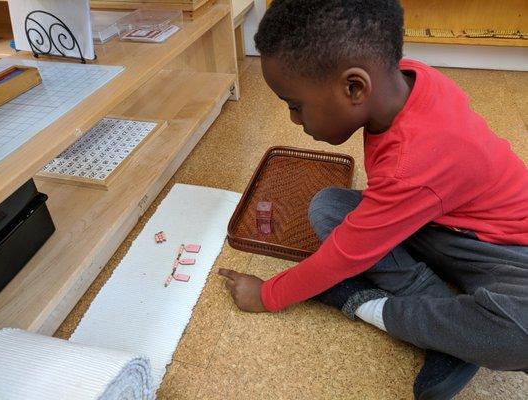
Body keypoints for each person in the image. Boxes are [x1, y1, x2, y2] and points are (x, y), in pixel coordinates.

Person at [218, 1, 528, 398]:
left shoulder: (414, 161)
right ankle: (448, 328)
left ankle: (367, 306)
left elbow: (341, 258)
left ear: (354, 88)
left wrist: (267, 295)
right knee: (328, 206)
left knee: (519, 332)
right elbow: (397, 201)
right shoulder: (407, 79)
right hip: (439, 221)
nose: (295, 120)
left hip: (509, 250)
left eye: (295, 106)